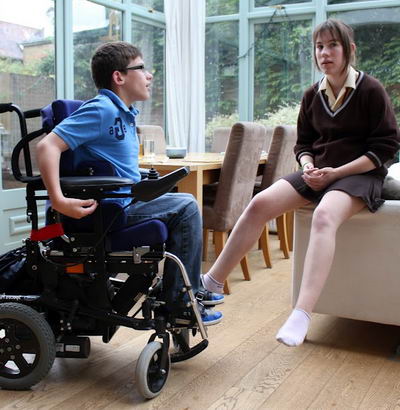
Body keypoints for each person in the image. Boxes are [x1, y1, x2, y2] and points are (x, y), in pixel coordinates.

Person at [201, 18, 400, 344]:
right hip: (319, 172)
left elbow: (385, 147)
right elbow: (304, 144)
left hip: (360, 175)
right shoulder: (312, 95)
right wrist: (308, 165)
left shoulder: (370, 90)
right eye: (319, 47)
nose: (325, 53)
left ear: (349, 49)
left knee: (324, 216)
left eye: (332, 45)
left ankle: (302, 313)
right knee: (259, 203)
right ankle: (211, 284)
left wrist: (336, 173)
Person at [36, 41, 224, 325]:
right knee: (186, 207)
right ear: (119, 77)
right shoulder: (102, 110)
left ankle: (184, 290)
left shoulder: (123, 114)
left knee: (183, 202)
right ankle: (181, 303)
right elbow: (46, 147)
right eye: (142, 68)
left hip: (125, 201)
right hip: (109, 210)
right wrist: (59, 200)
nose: (149, 75)